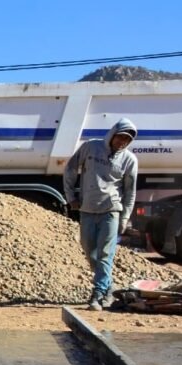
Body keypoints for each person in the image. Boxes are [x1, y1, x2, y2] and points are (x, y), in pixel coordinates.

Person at [63, 117, 138, 311]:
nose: (122, 142)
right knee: (90, 251)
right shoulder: (90, 147)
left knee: (105, 253)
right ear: (112, 134)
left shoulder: (129, 160)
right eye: (120, 137)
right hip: (87, 209)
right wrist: (71, 197)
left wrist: (125, 217)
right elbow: (70, 169)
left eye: (127, 139)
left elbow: (130, 192)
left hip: (111, 210)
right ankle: (109, 288)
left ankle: (97, 294)